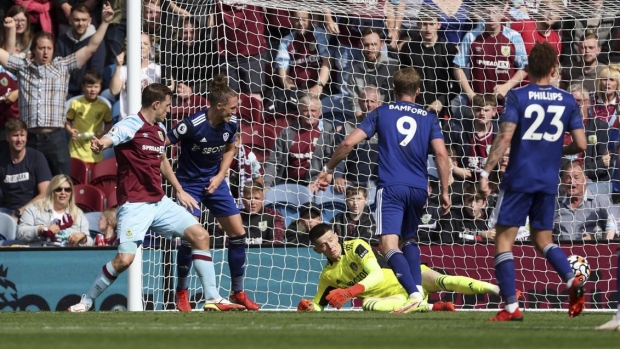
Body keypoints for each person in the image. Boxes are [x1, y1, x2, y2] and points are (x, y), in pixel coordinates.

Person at [68, 83, 245, 312]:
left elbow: (161, 160)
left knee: (200, 236)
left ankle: (212, 297)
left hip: (159, 202)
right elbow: (112, 137)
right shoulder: (131, 124)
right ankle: (87, 300)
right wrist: (101, 143)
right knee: (124, 261)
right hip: (134, 204)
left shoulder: (159, 128)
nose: (169, 110)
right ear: (156, 104)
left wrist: (179, 189)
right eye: (168, 106)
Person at [315, 67, 452, 314]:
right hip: (420, 189)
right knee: (408, 238)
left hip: (391, 187)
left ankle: (411, 293)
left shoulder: (381, 113)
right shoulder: (429, 117)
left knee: (388, 246)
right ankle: (419, 293)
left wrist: (328, 168)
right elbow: (441, 154)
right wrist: (444, 190)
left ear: (393, 90)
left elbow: (347, 142)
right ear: (418, 91)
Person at [477, 41, 588, 321]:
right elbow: (582, 144)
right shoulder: (568, 100)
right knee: (543, 240)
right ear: (553, 69)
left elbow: (503, 139)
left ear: (527, 69)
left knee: (503, 242)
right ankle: (570, 278)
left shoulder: (518, 96)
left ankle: (511, 308)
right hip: (548, 182)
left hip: (519, 179)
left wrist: (485, 173)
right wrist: (558, 150)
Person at [166, 75, 260, 312]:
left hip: (215, 183)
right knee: (192, 237)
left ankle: (237, 291)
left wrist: (220, 176)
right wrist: (175, 185)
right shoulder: (193, 124)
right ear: (219, 106)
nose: (235, 111)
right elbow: (162, 143)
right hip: (189, 185)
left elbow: (231, 148)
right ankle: (182, 291)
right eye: (232, 107)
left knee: (238, 233)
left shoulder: (231, 123)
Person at [0, 3, 114, 176]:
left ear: (54, 50)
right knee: (30, 188)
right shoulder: (23, 66)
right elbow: (3, 55)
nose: (45, 52)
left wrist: (104, 23)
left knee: (62, 183)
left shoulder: (62, 66)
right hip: (28, 138)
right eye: (41, 48)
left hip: (55, 137)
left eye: (49, 48)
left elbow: (91, 48)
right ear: (34, 50)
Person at [297, 224, 501, 312]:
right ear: (317, 250)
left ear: (337, 236)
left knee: (444, 281)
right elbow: (319, 304)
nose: (330, 246)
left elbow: (376, 274)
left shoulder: (356, 246)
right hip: (393, 299)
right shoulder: (329, 275)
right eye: (324, 244)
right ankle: (427, 307)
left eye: (331, 240)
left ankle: (497, 290)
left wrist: (350, 291)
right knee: (369, 306)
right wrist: (308, 307)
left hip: (412, 279)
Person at [17, 174, 90, 246]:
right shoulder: (34, 209)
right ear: (52, 191)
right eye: (58, 189)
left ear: (71, 193)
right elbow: (20, 233)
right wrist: (41, 229)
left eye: (67, 190)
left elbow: (90, 242)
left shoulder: (78, 213)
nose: (63, 193)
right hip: (41, 254)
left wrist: (83, 238)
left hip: (68, 255)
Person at [0, 118, 51, 220]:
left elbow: (45, 193)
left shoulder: (37, 157)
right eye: (15, 135)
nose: (19, 140)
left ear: (26, 137)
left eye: (22, 135)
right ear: (7, 137)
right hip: (6, 211)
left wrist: (20, 212)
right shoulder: (2, 160)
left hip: (33, 211)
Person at [554, 160, 616, 241]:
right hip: (562, 251)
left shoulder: (601, 202)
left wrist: (595, 239)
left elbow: (613, 231)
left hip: (591, 251)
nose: (572, 182)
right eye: (568, 178)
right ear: (562, 181)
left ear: (585, 180)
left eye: (576, 177)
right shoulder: (555, 204)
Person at [55, 3, 107, 97]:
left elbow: (96, 72)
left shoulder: (98, 42)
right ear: (70, 20)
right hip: (64, 92)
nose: (80, 24)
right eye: (77, 20)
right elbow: (57, 71)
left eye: (84, 20)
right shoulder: (61, 41)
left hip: (88, 93)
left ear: (89, 21)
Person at [109, 32, 161, 120]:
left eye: (145, 44)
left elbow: (170, 88)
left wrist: (166, 65)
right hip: (128, 120)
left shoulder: (157, 69)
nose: (142, 46)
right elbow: (114, 91)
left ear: (150, 48)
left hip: (150, 121)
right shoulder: (124, 69)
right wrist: (118, 66)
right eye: (139, 43)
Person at [65, 70, 112, 164]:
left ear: (100, 87)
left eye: (96, 86)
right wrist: (70, 131)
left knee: (94, 176)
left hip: (95, 150)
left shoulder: (103, 106)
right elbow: (68, 121)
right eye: (89, 86)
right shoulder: (75, 103)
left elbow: (108, 124)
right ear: (83, 87)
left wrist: (104, 133)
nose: (93, 90)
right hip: (76, 150)